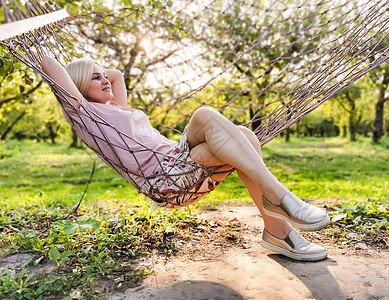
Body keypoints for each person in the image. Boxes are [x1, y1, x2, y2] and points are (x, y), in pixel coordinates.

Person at [41, 56, 331, 261]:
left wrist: (96, 69)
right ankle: (281, 199)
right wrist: (37, 38)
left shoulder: (115, 107)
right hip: (164, 179)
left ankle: (277, 232)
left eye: (103, 76)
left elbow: (117, 75)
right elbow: (50, 66)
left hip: (177, 161)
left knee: (245, 135)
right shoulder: (86, 116)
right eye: (95, 78)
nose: (106, 81)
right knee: (206, 116)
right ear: (76, 86)